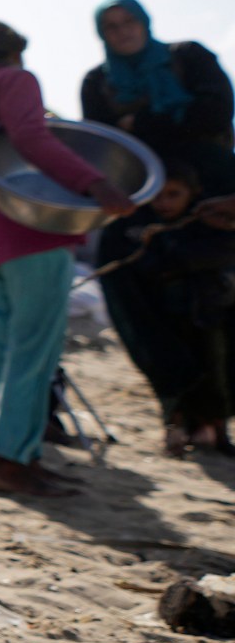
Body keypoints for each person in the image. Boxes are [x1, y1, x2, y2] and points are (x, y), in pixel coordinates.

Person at [0, 21, 134, 498]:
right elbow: (33, 139)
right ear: (11, 52)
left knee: (3, 360)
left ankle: (17, 455)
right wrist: (95, 184)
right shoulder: (13, 80)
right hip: (30, 234)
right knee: (33, 356)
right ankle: (10, 461)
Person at [95, 159, 235, 455]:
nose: (164, 203)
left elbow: (216, 253)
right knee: (170, 371)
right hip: (160, 317)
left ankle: (215, 431)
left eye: (174, 194)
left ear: (193, 193)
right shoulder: (133, 228)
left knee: (215, 371)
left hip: (206, 314)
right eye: (158, 195)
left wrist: (175, 260)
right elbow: (131, 267)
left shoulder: (209, 224)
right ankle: (177, 430)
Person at [81, 0, 235, 194]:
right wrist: (179, 118)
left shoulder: (190, 55)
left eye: (129, 21)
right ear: (101, 33)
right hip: (141, 191)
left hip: (214, 182)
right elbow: (100, 144)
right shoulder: (96, 82)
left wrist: (140, 123)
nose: (122, 31)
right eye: (111, 26)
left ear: (144, 21)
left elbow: (216, 114)